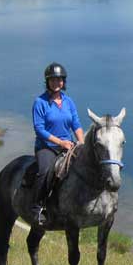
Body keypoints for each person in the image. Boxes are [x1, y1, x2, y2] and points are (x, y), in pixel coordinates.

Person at [31, 62, 85, 226]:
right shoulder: (40, 102)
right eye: (53, 80)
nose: (56, 83)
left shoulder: (69, 102)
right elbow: (39, 129)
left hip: (69, 145)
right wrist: (60, 142)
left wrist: (81, 143)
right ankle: (37, 207)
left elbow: (76, 123)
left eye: (59, 80)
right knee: (45, 171)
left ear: (63, 82)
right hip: (47, 147)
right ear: (47, 81)